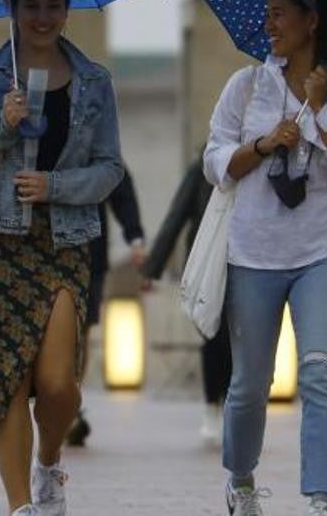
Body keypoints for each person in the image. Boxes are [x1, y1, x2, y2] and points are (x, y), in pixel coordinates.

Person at [0, 0, 124, 516]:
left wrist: (55, 187)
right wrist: (1, 124)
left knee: (58, 383)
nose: (42, 17)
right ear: (13, 7)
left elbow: (111, 168)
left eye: (53, 5)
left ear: (68, 10)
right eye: (30, 5)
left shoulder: (94, 81)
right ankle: (21, 506)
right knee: (6, 379)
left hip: (63, 241)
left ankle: (48, 461)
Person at [204, 0, 327, 515]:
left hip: (322, 252)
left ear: (311, 21)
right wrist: (262, 143)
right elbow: (215, 163)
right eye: (268, 12)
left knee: (321, 370)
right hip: (254, 253)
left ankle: (323, 498)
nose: (269, 23)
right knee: (250, 384)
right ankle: (240, 479)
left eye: (281, 13)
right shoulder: (247, 86)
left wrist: (322, 111)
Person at [140, 154, 232, 448]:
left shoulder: (260, 160)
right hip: (207, 270)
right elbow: (176, 216)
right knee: (213, 338)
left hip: (247, 265)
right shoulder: (204, 167)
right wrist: (153, 268)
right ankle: (211, 408)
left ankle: (234, 411)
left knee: (239, 344)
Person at [66, 170, 146, 447]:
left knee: (80, 332)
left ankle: (69, 406)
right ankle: (57, 402)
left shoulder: (93, 128)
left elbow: (120, 184)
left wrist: (135, 237)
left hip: (90, 254)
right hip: (42, 249)